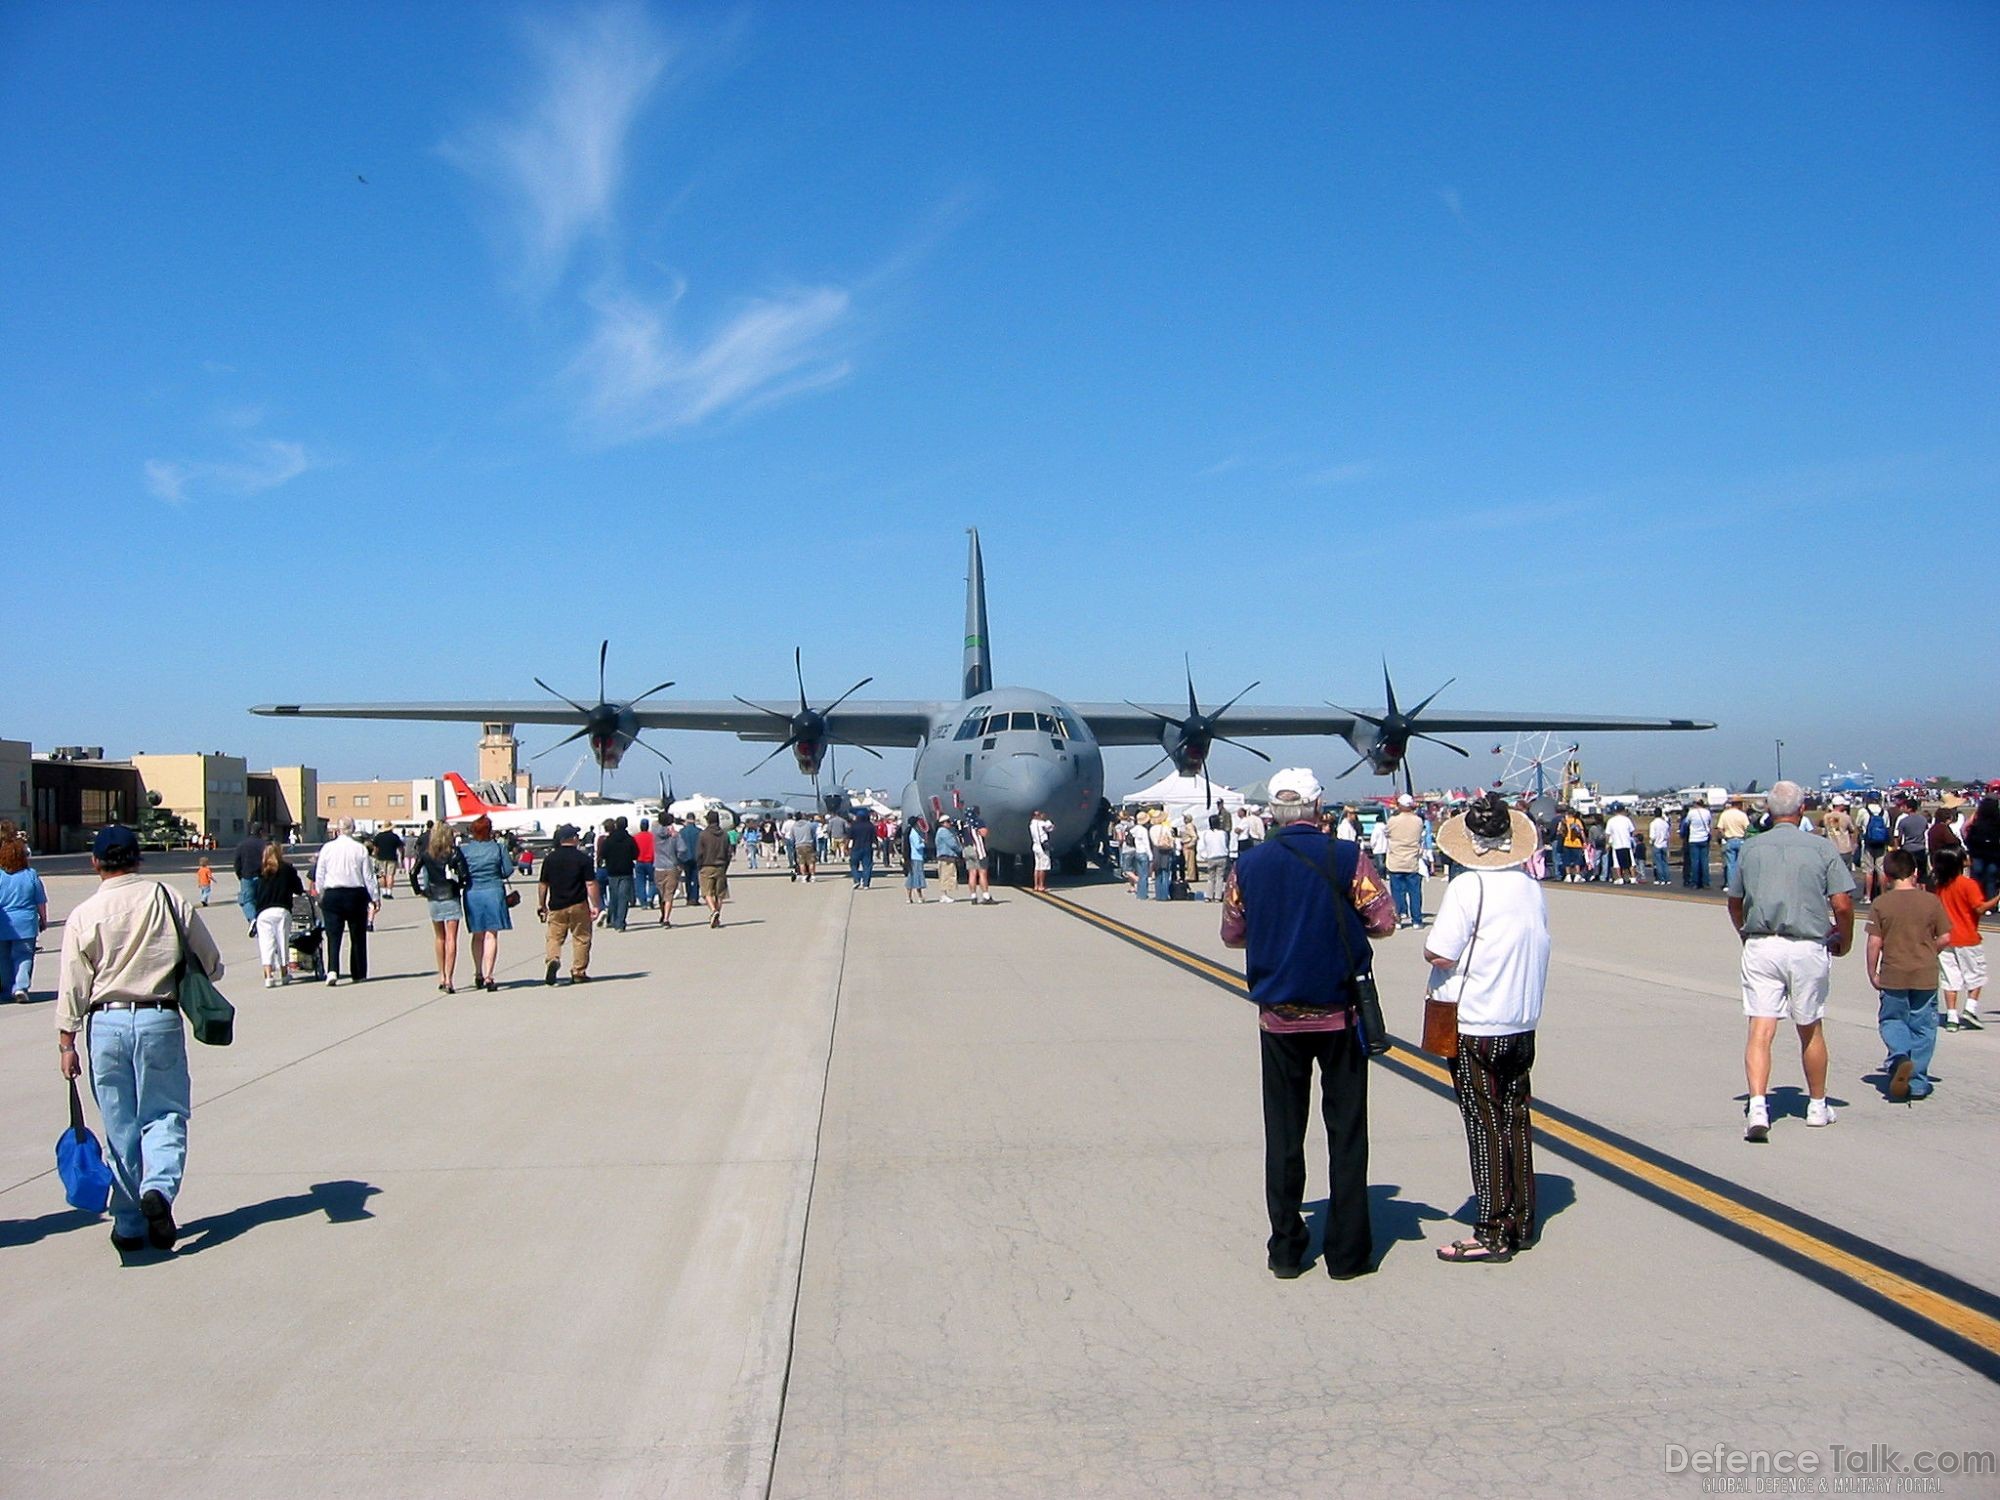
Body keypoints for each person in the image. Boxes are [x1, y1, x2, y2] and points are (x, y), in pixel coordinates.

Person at [1221, 768, 1393, 1280]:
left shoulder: (1248, 865)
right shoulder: (1346, 857)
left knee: (1284, 1133)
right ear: (1318, 807)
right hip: (1339, 1012)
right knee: (1346, 1133)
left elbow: (1233, 933)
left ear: (1274, 811)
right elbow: (1383, 920)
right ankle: (1347, 1253)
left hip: (1279, 1018)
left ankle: (1286, 1249)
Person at [57, 825, 222, 1253]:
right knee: (165, 1113)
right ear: (138, 859)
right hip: (158, 1018)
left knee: (120, 1126)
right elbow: (211, 961)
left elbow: (73, 984)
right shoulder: (168, 898)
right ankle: (159, 1190)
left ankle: (128, 1224)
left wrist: (66, 1042)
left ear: (95, 863)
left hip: (105, 1023)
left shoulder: (84, 913)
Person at [1425, 792, 1551, 1263]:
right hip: (1522, 1019)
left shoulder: (1468, 887)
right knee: (1516, 1117)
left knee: (1483, 1123)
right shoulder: (1530, 888)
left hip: (1479, 1020)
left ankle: (1492, 1229)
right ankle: (1522, 1216)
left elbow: (1442, 951)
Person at [1726, 781, 1855, 1140]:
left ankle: (1757, 1106)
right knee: (1809, 1026)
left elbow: (1735, 901)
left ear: (1769, 810)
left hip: (1762, 943)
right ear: (1801, 810)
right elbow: (1843, 904)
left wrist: (1744, 932)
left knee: (1761, 1028)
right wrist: (1843, 938)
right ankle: (1816, 1105)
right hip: (1806, 945)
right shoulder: (1820, 848)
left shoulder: (1751, 849)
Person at [1866, 850, 1951, 1101]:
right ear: (1915, 872)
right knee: (1923, 1025)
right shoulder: (1931, 901)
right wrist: (1928, 951)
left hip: (1894, 972)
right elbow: (1946, 936)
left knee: (1892, 1019)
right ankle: (1918, 1080)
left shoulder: (1881, 903)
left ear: (1887, 875)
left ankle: (1900, 1054)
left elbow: (1874, 942)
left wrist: (1873, 971)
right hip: (1925, 972)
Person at [311, 817, 380, 987]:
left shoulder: (327, 848)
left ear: (338, 829)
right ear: (353, 829)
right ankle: (358, 972)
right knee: (357, 935)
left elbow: (320, 874)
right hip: (355, 893)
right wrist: (375, 897)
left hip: (333, 893)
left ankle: (333, 969)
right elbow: (368, 876)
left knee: (333, 935)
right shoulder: (360, 849)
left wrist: (320, 893)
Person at [1933, 850, 1997, 1031]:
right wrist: (1997, 898)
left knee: (1950, 978)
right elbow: (1979, 908)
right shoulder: (1968, 885)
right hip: (1968, 937)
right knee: (1976, 975)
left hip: (1946, 938)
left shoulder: (1941, 886)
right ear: (1960, 862)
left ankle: (1952, 1017)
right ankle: (1970, 1008)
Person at [538, 824, 600, 985]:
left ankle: (553, 959)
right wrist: (596, 905)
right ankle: (579, 971)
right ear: (573, 839)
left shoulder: (550, 859)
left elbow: (543, 884)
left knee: (554, 937)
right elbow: (591, 883)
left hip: (557, 905)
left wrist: (542, 905)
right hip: (578, 904)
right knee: (581, 938)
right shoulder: (583, 859)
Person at [458, 814, 513, 991]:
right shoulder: (499, 848)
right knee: (491, 935)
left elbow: (461, 872)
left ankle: (478, 972)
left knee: (477, 934)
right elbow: (507, 870)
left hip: (473, 892)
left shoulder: (465, 850)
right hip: (494, 891)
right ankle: (489, 975)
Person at [412, 822, 469, 993]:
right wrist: (459, 885)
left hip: (434, 895)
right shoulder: (453, 852)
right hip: (450, 895)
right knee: (452, 938)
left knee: (439, 937)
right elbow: (464, 874)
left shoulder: (427, 853)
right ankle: (450, 979)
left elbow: (413, 872)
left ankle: (441, 975)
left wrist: (418, 890)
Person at [0, 831, 49, 1003]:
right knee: (24, 956)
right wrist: (43, 919)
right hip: (26, 923)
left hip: (3, 923)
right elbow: (40, 900)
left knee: (3, 957)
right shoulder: (30, 874)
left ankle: (7, 989)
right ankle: (20, 986)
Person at [252, 842, 305, 987]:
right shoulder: (287, 869)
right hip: (282, 909)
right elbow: (299, 888)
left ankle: (268, 976)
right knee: (282, 941)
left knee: (266, 943)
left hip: (263, 911)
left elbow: (253, 891)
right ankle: (284, 973)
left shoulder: (260, 870)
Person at [1384, 794, 1426, 927]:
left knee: (1397, 892)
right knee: (1415, 892)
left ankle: (1399, 918)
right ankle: (1417, 920)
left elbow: (1387, 833)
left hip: (1396, 860)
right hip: (1412, 861)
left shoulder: (1393, 821)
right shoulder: (1418, 821)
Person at [599, 816, 638, 931]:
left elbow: (603, 854)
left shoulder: (609, 840)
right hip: (626, 871)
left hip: (612, 871)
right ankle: (620, 922)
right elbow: (635, 854)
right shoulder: (630, 839)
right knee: (623, 897)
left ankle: (613, 919)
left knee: (614, 896)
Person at [697, 811, 733, 928]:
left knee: (707, 893)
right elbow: (729, 853)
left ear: (708, 820)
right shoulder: (724, 835)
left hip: (707, 865)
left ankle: (713, 910)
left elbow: (699, 853)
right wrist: (725, 865)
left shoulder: (703, 835)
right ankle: (717, 916)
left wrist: (699, 865)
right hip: (721, 866)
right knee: (720, 894)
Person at [232, 822, 269, 935]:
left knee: (247, 900)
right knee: (261, 901)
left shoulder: (242, 845)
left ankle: (253, 919)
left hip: (247, 875)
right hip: (263, 876)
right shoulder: (265, 845)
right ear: (261, 832)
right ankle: (261, 921)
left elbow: (237, 862)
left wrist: (239, 874)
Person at [1965, 796, 2000, 901]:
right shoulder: (1997, 823)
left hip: (1977, 855)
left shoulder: (1977, 823)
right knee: (1991, 880)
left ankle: (1975, 900)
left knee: (1976, 880)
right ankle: (1991, 903)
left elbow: (1969, 838)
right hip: (1994, 855)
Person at [1895, 797, 1931, 886]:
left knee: (1909, 872)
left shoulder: (1903, 821)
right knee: (1922, 873)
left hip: (1908, 848)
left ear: (1909, 808)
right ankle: (1923, 890)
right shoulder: (1923, 819)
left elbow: (1898, 836)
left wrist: (1898, 847)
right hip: (1921, 848)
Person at [1716, 798, 1751, 891]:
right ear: (1739, 804)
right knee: (1740, 864)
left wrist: (1724, 836)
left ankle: (1731, 885)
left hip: (1729, 840)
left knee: (1730, 865)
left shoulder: (1725, 814)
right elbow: (1747, 828)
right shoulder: (1742, 815)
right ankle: (1741, 885)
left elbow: (1720, 828)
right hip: (1741, 840)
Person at [654, 816, 682, 926]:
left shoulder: (655, 834)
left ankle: (663, 912)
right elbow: (682, 849)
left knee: (662, 892)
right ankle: (666, 918)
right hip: (671, 866)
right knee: (669, 893)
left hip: (658, 866)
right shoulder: (675, 835)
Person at [1198, 814, 1230, 902]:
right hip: (1222, 855)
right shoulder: (1223, 833)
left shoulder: (1206, 833)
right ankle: (1218, 896)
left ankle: (1208, 896)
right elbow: (1226, 843)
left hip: (1211, 856)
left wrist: (1204, 856)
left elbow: (1204, 845)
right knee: (1220, 877)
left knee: (1211, 877)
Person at [964, 809, 993, 905]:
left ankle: (973, 896)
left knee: (972, 873)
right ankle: (986, 895)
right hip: (978, 849)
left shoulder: (965, 823)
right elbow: (984, 833)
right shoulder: (978, 821)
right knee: (982, 873)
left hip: (967, 849)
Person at [1603, 806, 1638, 886]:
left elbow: (1607, 834)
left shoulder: (1611, 821)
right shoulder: (1627, 820)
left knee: (1617, 863)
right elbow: (1632, 831)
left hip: (1616, 844)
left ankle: (1620, 878)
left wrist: (1608, 843)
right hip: (1627, 844)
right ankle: (1633, 878)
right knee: (1631, 862)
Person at [1683, 800, 1712, 889]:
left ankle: (1695, 882)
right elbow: (1709, 823)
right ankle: (1706, 882)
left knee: (1695, 862)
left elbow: (1686, 823)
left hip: (1694, 838)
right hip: (1704, 838)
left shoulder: (1691, 813)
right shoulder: (1707, 812)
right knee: (1704, 861)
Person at [369, 825, 404, 900]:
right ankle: (389, 893)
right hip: (392, 858)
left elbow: (375, 848)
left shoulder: (378, 836)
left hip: (380, 858)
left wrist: (375, 855)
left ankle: (384, 892)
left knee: (382, 875)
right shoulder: (395, 836)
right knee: (390, 875)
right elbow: (400, 848)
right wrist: (401, 857)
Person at [934, 817, 962, 902]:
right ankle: (944, 895)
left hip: (944, 857)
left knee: (944, 875)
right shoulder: (944, 832)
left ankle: (944, 894)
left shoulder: (941, 831)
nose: (950, 823)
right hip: (946, 857)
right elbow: (952, 844)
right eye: (948, 822)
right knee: (946, 876)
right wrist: (961, 849)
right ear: (943, 823)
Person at [849, 809, 877, 889]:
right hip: (867, 848)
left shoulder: (854, 825)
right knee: (867, 866)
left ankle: (857, 879)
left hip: (856, 848)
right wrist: (878, 847)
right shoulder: (870, 826)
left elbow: (849, 837)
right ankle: (866, 884)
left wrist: (846, 847)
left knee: (853, 865)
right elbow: (874, 838)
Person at [1029, 810, 1055, 893]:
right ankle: (1041, 885)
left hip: (1035, 845)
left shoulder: (1031, 824)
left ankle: (1036, 885)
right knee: (1043, 867)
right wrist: (1047, 820)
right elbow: (1051, 827)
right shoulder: (1042, 823)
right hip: (1042, 846)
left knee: (1037, 867)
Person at [633, 818, 657, 908]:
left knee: (640, 883)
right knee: (653, 881)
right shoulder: (652, 837)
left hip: (639, 861)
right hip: (650, 861)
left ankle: (643, 902)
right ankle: (650, 897)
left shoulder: (636, 837)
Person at [906, 819, 929, 904]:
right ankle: (920, 897)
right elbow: (917, 846)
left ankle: (909, 897)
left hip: (913, 857)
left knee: (911, 877)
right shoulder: (914, 833)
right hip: (917, 857)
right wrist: (924, 843)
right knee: (918, 877)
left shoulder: (912, 832)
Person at [1647, 807, 1672, 885]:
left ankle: (1661, 879)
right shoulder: (1665, 823)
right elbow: (1667, 835)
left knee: (1658, 863)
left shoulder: (1653, 823)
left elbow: (1652, 836)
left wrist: (1651, 842)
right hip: (1664, 844)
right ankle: (1667, 878)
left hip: (1657, 844)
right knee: (1665, 862)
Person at [792, 813, 818, 882]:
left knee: (801, 862)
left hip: (798, 845)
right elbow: (813, 833)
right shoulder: (808, 824)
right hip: (808, 843)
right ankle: (812, 876)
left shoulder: (794, 826)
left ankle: (804, 876)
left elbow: (792, 837)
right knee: (811, 861)